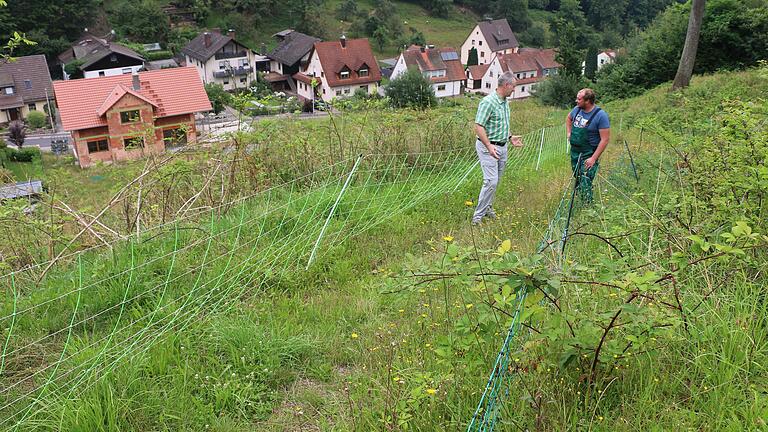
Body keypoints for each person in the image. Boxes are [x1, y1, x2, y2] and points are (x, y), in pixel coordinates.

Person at [472, 71, 524, 225]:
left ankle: (487, 208)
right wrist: (489, 146)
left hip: (502, 147)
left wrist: (510, 137)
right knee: (491, 181)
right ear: (506, 85)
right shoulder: (488, 102)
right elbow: (478, 126)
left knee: (496, 180)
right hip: (488, 147)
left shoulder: (505, 102)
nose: (514, 90)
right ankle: (477, 217)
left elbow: (500, 124)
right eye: (513, 87)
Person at [566, 88, 610, 202]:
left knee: (586, 178)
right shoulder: (576, 110)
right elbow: (569, 118)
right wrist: (569, 132)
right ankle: (579, 199)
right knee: (578, 177)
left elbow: (605, 140)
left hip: (589, 153)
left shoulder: (600, 115)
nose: (576, 101)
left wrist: (593, 158)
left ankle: (586, 207)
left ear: (588, 101)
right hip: (575, 152)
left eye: (579, 99)